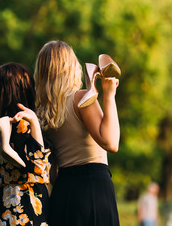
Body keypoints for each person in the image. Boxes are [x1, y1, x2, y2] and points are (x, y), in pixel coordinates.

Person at [34, 40, 120, 226]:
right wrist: (109, 94)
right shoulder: (80, 98)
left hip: (63, 192)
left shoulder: (42, 113)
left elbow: (53, 172)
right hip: (93, 190)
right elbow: (111, 142)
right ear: (71, 66)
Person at [0, 62, 51, 226]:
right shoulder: (23, 125)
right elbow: (39, 168)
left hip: (2, 206)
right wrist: (35, 123)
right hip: (27, 207)